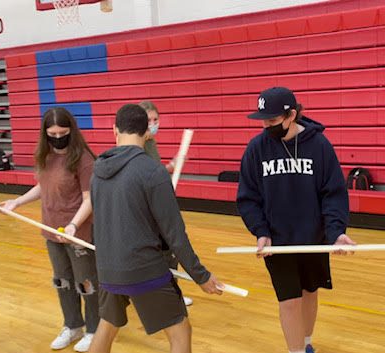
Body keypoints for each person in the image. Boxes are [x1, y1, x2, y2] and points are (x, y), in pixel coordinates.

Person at [89, 104, 223, 353]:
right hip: (144, 269)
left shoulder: (97, 172)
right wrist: (201, 276)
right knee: (181, 331)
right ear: (147, 131)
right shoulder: (152, 172)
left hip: (107, 269)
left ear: (114, 130)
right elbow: (175, 234)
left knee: (106, 327)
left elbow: (100, 224)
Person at [236, 87, 356, 353]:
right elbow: (248, 198)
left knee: (309, 293)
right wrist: (261, 232)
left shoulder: (320, 146)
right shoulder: (256, 149)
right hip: (278, 243)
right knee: (289, 301)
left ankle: (306, 343)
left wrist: (336, 232)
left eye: (272, 120)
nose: (266, 126)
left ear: (291, 115)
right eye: (263, 121)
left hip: (314, 239)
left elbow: (333, 194)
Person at [0, 107, 99, 352]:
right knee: (62, 281)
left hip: (78, 232)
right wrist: (17, 202)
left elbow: (90, 199)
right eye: (52, 133)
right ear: (45, 134)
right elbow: (42, 187)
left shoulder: (84, 159)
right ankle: (72, 325)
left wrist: (74, 225)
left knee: (85, 282)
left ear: (71, 131)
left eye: (62, 133)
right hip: (51, 230)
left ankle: (94, 330)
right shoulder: (45, 156)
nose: (57, 138)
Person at [139, 101, 193, 307]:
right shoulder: (139, 145)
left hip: (158, 207)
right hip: (146, 211)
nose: (153, 124)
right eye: (148, 120)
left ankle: (172, 293)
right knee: (155, 254)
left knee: (169, 252)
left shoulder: (151, 143)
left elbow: (156, 172)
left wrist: (173, 164)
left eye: (156, 120)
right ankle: (155, 295)